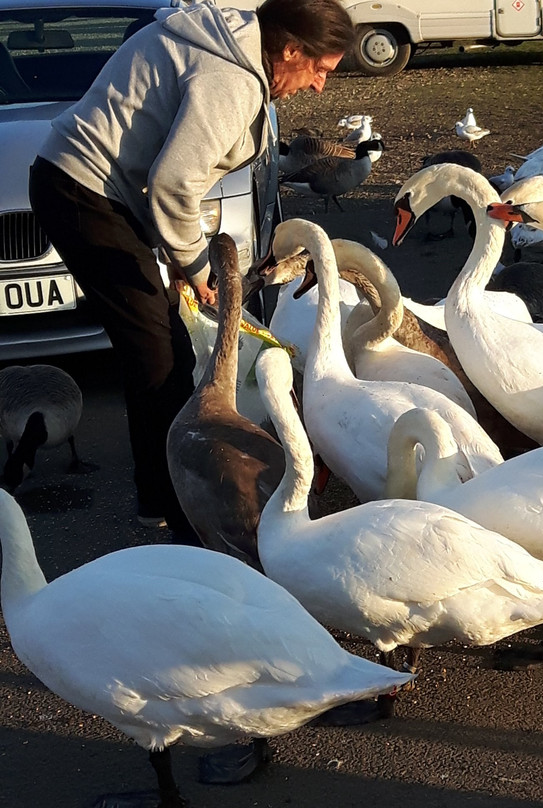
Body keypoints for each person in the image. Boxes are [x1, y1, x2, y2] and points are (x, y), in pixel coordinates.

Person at [28, 0, 354, 539]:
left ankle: (159, 494)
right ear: (292, 48)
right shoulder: (232, 77)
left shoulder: (232, 51)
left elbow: (165, 168)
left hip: (93, 190)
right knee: (159, 354)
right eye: (320, 70)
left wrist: (178, 256)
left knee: (159, 348)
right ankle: (176, 511)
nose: (320, 86)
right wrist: (197, 264)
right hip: (80, 192)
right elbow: (174, 183)